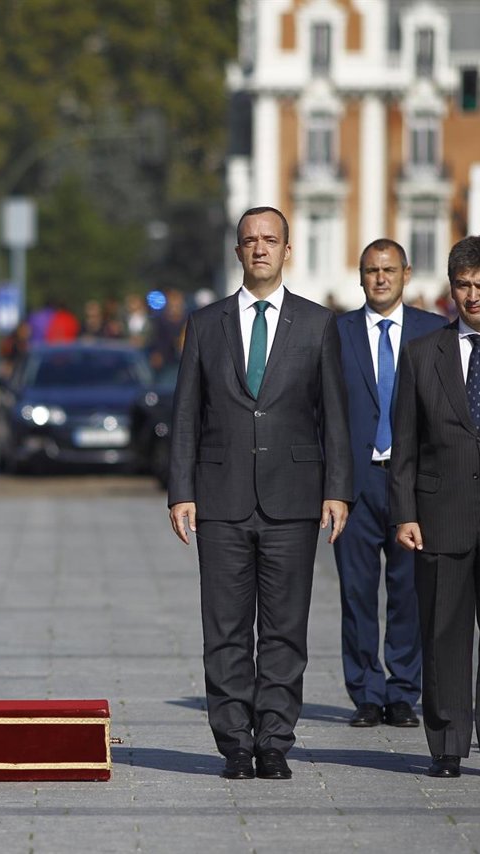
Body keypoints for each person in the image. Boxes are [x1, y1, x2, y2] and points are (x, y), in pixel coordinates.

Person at [167, 206, 352, 780]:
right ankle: (234, 744)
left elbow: (335, 417)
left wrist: (337, 490)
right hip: (219, 500)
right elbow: (186, 414)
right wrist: (181, 491)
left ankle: (274, 740)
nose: (260, 249)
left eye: (271, 240)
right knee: (223, 628)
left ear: (287, 250)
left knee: (283, 629)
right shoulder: (205, 324)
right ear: (238, 251)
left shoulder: (318, 325)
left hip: (294, 500)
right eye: (250, 241)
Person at [390, 235, 480, 779]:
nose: (473, 297)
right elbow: (405, 441)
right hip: (439, 518)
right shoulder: (424, 354)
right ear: (451, 289)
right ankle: (446, 745)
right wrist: (404, 511)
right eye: (463, 286)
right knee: (443, 633)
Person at [333, 240, 446, 729]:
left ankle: (403, 692)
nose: (380, 278)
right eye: (371, 271)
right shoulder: (335, 333)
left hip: (413, 486)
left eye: (389, 270)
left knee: (409, 593)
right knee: (357, 594)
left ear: (407, 274)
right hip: (354, 486)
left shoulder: (433, 331)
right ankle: (366, 692)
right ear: (360, 277)